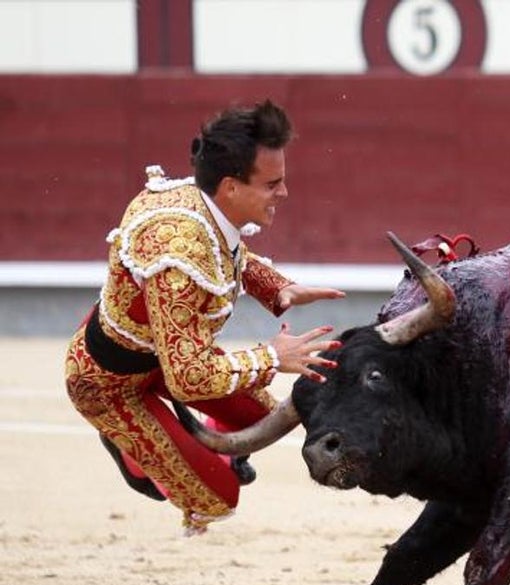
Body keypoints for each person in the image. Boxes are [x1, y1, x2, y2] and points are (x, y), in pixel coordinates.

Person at [64, 99, 345, 535]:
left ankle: (191, 447)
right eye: (272, 184)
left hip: (157, 354)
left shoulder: (198, 204)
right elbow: (189, 378)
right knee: (216, 500)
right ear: (231, 187)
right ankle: (134, 458)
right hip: (109, 385)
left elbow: (225, 250)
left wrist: (277, 287)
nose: (283, 194)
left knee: (264, 420)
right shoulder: (178, 255)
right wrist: (272, 357)